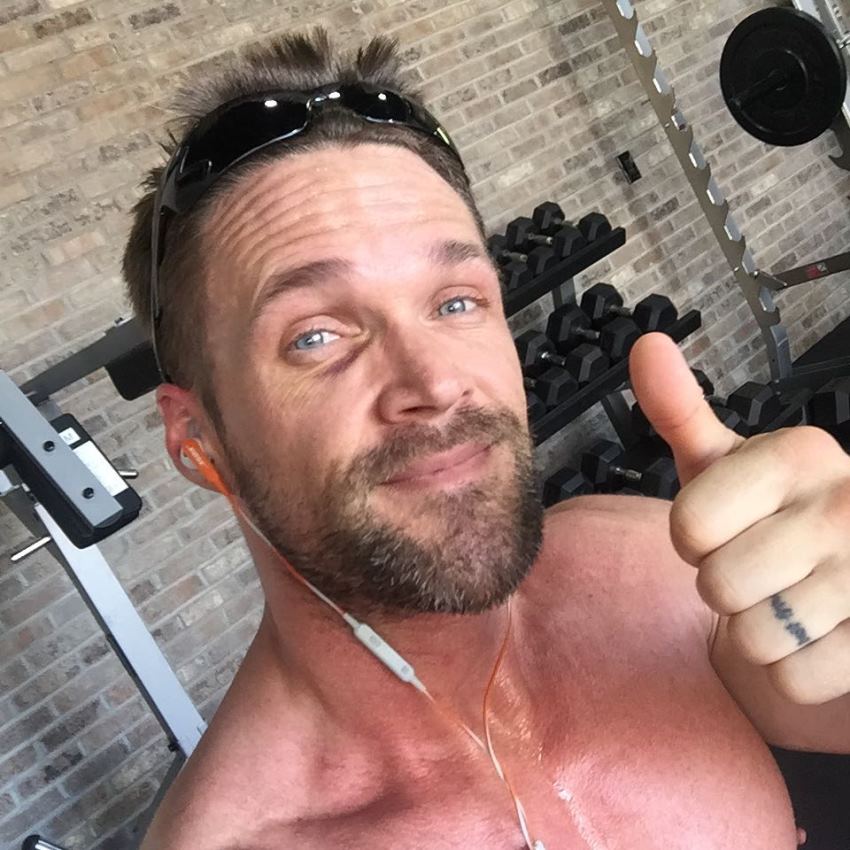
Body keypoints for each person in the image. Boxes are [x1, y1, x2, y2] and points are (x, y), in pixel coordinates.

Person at [122, 28, 850, 850]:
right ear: (197, 438)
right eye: (316, 336)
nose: (434, 384)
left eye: (456, 302)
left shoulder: (658, 575)